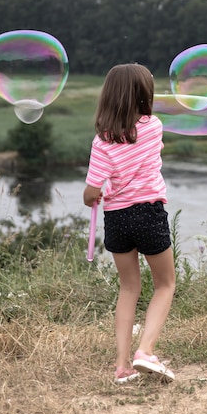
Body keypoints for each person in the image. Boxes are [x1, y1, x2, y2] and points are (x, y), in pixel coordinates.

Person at [83, 63, 176, 384]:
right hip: (149, 213)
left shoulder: (101, 143)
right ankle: (145, 351)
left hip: (117, 219)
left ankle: (122, 366)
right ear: (143, 96)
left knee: (128, 288)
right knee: (165, 284)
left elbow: (91, 192)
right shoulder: (154, 126)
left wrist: (94, 194)